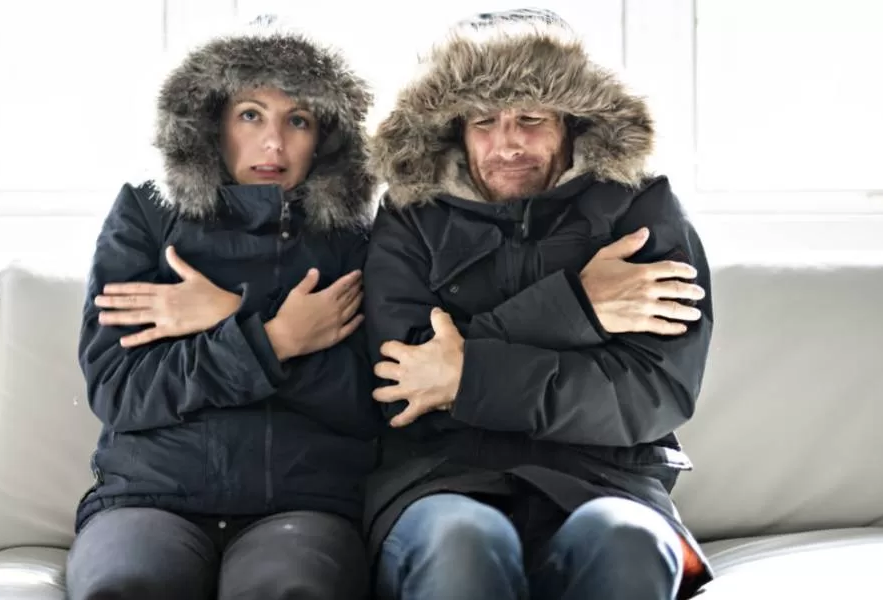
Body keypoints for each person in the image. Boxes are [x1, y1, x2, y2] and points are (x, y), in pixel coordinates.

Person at [362, 8, 715, 600]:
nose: (508, 143)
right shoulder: (409, 216)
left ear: (573, 122)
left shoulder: (642, 211)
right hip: (439, 482)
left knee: (627, 540)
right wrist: (576, 307)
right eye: (484, 121)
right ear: (455, 128)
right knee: (463, 543)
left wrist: (466, 374)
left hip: (611, 482)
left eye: (531, 118)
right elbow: (407, 382)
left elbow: (653, 393)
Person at [65, 15, 381, 600]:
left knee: (292, 591)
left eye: (299, 120)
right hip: (148, 498)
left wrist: (223, 313)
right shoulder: (146, 216)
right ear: (211, 124)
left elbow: (367, 401)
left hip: (302, 504)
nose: (274, 143)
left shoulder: (353, 239)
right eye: (251, 115)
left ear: (326, 137)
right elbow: (116, 386)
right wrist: (271, 338)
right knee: (125, 589)